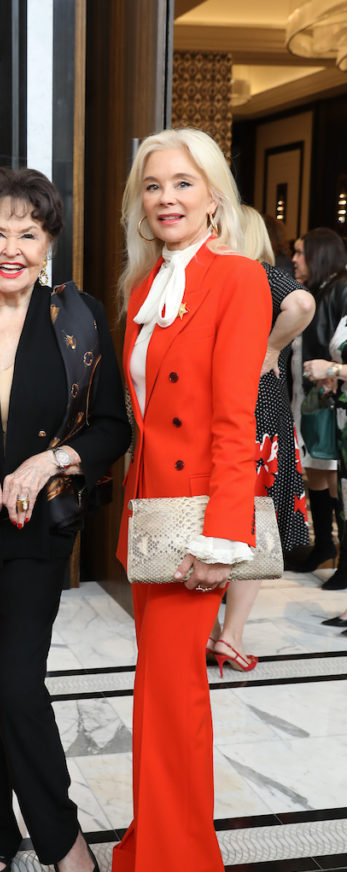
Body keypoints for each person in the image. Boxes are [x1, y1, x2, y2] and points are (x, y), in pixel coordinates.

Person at [0, 167, 130, 872]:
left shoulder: (76, 319)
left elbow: (113, 426)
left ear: (48, 244)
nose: (12, 247)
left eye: (29, 233)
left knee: (12, 682)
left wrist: (49, 460)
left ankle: (59, 832)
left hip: (38, 534)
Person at [112, 128, 272, 872]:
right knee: (159, 700)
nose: (166, 198)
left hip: (193, 531)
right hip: (151, 522)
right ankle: (152, 858)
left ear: (214, 195)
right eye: (152, 186)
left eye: (182, 183)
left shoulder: (238, 280)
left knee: (171, 705)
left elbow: (233, 423)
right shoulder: (145, 284)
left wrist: (221, 541)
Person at [207, 206, 314, 672]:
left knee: (249, 523)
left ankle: (223, 635)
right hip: (254, 408)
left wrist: (269, 349)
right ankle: (225, 635)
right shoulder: (229, 278)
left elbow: (303, 304)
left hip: (251, 410)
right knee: (247, 523)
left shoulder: (252, 274)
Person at [290, 229, 347, 577]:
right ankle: (323, 545)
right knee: (315, 469)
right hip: (309, 395)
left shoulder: (340, 288)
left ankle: (341, 556)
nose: (294, 259)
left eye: (301, 253)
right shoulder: (313, 291)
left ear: (319, 254)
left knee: (332, 475)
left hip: (330, 397)